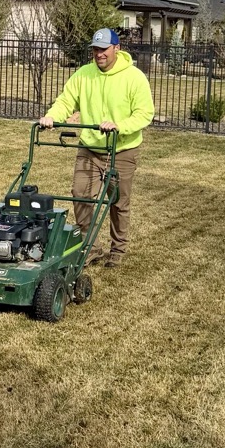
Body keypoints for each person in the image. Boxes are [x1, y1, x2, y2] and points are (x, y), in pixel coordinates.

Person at [39, 28, 154, 268]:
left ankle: (118, 249)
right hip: (90, 147)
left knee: (118, 202)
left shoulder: (134, 77)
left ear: (116, 48)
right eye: (95, 49)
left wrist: (119, 126)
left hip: (121, 149)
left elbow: (145, 114)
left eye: (103, 49)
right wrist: (51, 117)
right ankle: (91, 247)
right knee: (80, 194)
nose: (99, 54)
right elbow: (66, 101)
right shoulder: (84, 74)